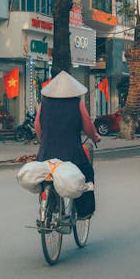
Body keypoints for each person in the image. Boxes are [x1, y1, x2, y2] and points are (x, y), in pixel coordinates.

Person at [35, 71, 100, 219]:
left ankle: (49, 205)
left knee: (47, 176)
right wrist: (95, 137)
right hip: (72, 153)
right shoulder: (77, 103)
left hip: (46, 153)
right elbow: (88, 124)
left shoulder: (43, 103)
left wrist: (42, 141)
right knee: (87, 173)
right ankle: (84, 212)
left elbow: (37, 125)